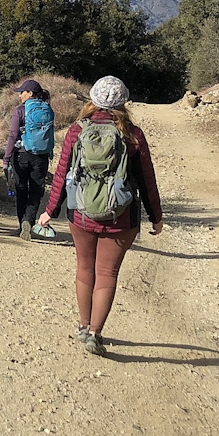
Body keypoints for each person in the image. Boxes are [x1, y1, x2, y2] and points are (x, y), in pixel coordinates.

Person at [36, 75, 163, 356]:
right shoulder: (133, 134)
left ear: (93, 100)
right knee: (107, 273)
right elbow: (146, 180)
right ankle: (95, 333)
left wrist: (49, 211)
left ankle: (83, 326)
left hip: (81, 213)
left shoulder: (77, 131)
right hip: (121, 216)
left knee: (84, 268)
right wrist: (156, 216)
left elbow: (62, 175)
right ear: (123, 102)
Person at [3, 78, 55, 241]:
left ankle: (21, 225)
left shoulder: (20, 110)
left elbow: (13, 135)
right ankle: (29, 220)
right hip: (41, 156)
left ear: (30, 93)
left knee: (21, 190)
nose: (20, 96)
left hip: (21, 155)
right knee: (36, 191)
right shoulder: (48, 109)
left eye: (22, 92)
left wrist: (6, 157)